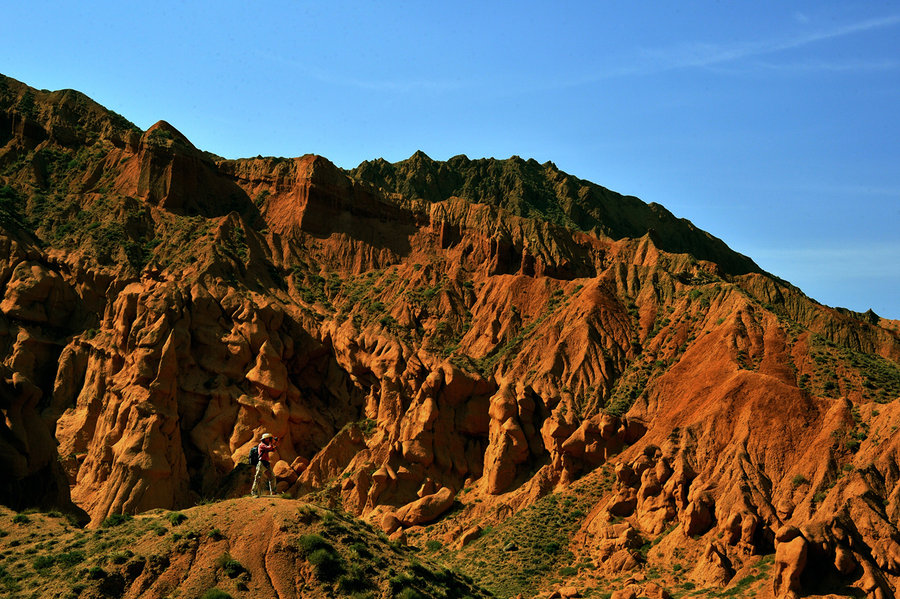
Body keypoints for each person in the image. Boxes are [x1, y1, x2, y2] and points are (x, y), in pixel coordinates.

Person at [250, 433, 279, 497]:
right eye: (269, 438)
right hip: (261, 463)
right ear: (265, 439)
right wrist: (271, 443)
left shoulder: (266, 445)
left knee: (272, 477)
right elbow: (269, 448)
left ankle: (273, 492)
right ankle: (254, 491)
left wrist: (275, 443)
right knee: (258, 477)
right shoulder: (261, 445)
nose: (270, 440)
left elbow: (273, 450)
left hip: (266, 463)